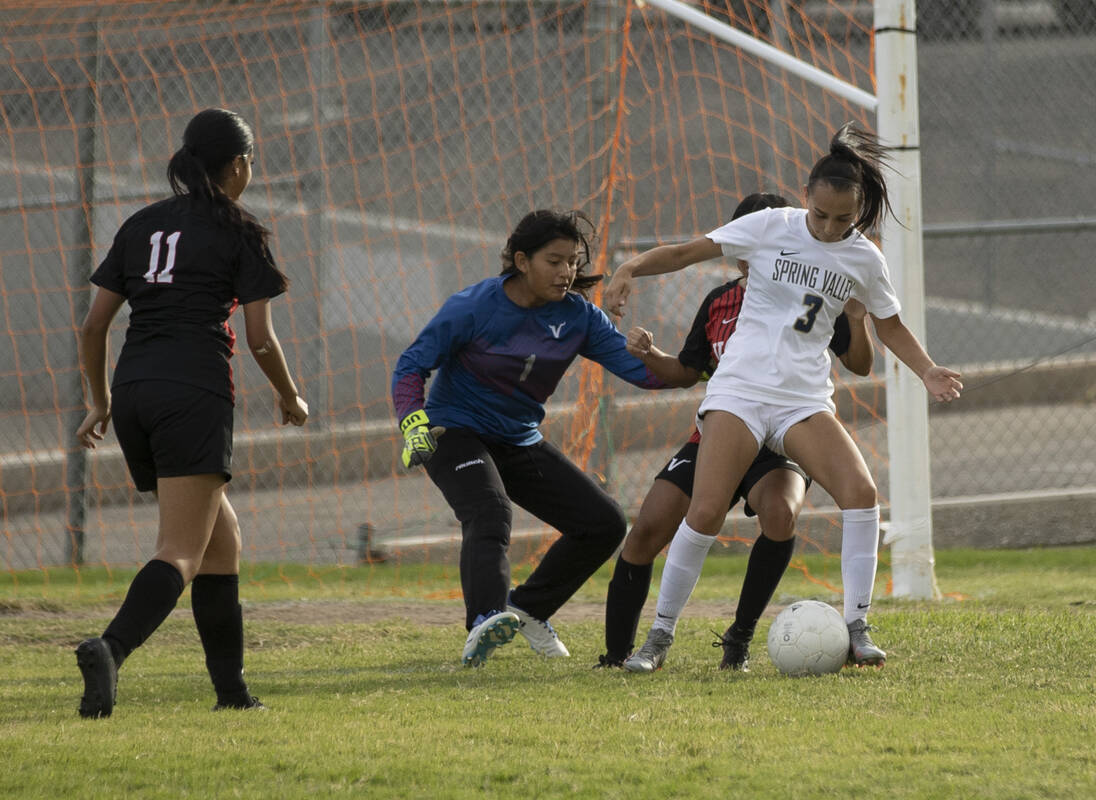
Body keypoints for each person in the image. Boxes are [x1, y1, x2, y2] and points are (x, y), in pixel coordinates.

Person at [605, 123, 962, 671]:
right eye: (820, 214)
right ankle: (658, 637)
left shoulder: (864, 258)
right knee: (703, 512)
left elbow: (888, 327)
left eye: (842, 218)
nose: (829, 226)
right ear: (806, 198)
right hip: (741, 391)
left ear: (857, 211)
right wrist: (631, 266)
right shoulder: (770, 225)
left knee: (862, 493)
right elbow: (685, 252)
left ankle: (857, 627)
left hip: (803, 400)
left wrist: (928, 369)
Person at [73, 108, 308, 718]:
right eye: (250, 161)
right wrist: (289, 394)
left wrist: (99, 400)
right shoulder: (240, 229)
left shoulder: (142, 224)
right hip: (193, 391)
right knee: (180, 548)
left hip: (135, 391)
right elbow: (259, 337)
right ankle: (110, 647)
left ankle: (232, 694)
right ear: (237, 166)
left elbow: (95, 324)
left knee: (220, 543)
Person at [597, 193, 874, 672]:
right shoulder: (719, 300)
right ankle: (621, 653)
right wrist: (650, 356)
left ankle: (739, 638)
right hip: (724, 429)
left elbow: (861, 364)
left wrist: (856, 318)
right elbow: (689, 371)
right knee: (647, 528)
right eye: (740, 239)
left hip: (782, 436)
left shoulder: (816, 290)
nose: (748, 249)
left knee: (782, 513)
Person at [391, 209, 672, 667]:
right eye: (555, 261)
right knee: (488, 509)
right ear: (521, 261)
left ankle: (529, 609)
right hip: (453, 430)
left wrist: (702, 363)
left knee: (603, 523)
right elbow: (411, 365)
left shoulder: (579, 316)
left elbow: (643, 372)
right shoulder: (473, 305)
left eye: (574, 262)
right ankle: (485, 618)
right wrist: (412, 421)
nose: (567, 273)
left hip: (517, 438)